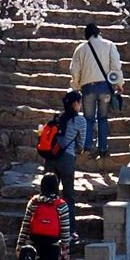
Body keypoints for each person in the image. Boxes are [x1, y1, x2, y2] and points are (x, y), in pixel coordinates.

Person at [69, 22, 125, 159]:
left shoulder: (81, 49)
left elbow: (74, 70)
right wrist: (119, 83)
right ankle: (103, 148)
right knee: (103, 118)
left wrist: (75, 85)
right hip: (105, 88)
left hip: (88, 88)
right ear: (98, 32)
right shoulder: (109, 45)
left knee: (88, 118)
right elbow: (116, 66)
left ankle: (87, 146)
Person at [17, 173, 70, 260]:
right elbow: (65, 231)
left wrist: (19, 246)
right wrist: (65, 252)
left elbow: (26, 225)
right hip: (52, 245)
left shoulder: (34, 202)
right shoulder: (61, 205)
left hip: (33, 243)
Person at [50, 89, 86, 238]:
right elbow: (81, 144)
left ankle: (50, 226)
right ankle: (70, 230)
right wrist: (79, 149)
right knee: (68, 196)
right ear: (76, 103)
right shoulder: (80, 120)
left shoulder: (57, 117)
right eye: (80, 103)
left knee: (50, 195)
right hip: (67, 160)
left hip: (50, 159)